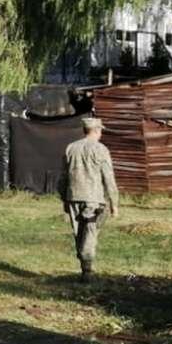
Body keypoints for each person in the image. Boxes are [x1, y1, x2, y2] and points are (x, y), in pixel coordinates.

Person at [60, 116, 119, 282]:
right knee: (90, 231)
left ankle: (84, 265)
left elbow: (63, 177)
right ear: (97, 130)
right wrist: (114, 203)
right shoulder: (101, 149)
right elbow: (108, 178)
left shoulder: (71, 148)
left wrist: (64, 198)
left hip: (73, 196)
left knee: (78, 232)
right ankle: (87, 270)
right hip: (94, 198)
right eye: (100, 130)